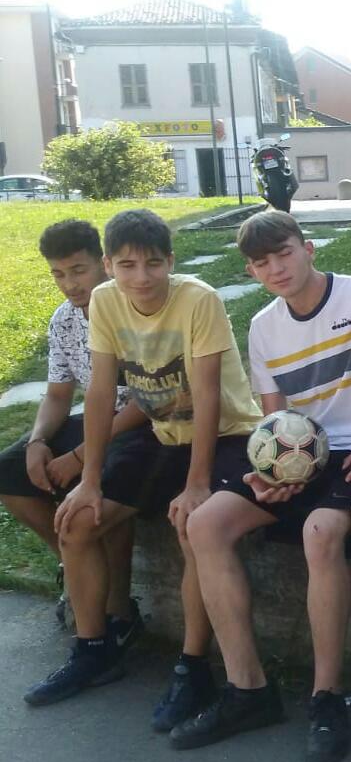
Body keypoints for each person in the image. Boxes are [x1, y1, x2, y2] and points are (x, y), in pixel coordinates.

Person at [175, 211, 351, 762]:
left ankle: (326, 697)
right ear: (251, 272)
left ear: (308, 248)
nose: (276, 268)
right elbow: (273, 421)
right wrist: (270, 474)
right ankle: (248, 690)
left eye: (284, 253)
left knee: (320, 531)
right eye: (261, 263)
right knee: (204, 524)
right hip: (302, 453)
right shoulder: (263, 327)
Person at [33, 210, 260, 730]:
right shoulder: (105, 301)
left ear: (170, 262)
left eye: (153, 264)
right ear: (109, 264)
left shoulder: (198, 299)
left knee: (191, 525)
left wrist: (198, 483)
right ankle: (94, 649)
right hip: (162, 432)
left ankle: (192, 667)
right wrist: (89, 480)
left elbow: (208, 396)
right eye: (128, 265)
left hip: (226, 435)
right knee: (76, 522)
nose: (141, 277)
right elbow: (98, 393)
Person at [0, 220, 148, 642]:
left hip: (140, 426)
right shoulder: (64, 320)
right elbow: (57, 394)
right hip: (94, 420)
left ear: (103, 263)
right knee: (8, 471)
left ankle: (117, 609)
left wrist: (81, 455)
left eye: (78, 270)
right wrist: (37, 441)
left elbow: (148, 401)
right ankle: (74, 566)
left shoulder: (133, 309)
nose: (69, 284)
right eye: (59, 274)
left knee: (100, 492)